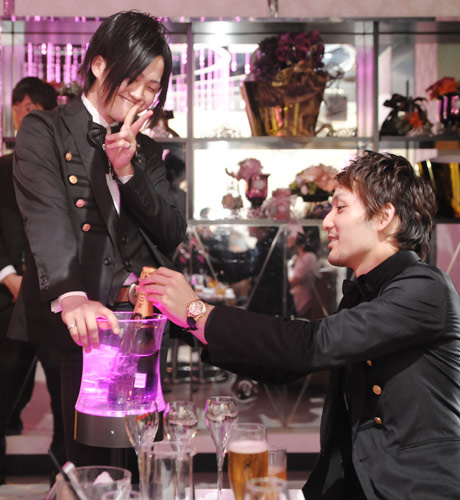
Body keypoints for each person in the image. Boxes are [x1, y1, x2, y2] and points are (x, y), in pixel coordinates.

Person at [139, 150, 460, 500]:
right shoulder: (365, 294)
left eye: (340, 208)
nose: (327, 223)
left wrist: (199, 312)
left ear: (384, 217)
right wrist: (186, 323)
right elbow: (285, 366)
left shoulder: (425, 289)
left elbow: (310, 345)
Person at [11, 11, 186, 467]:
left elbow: (171, 231)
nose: (142, 95)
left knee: (142, 458)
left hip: (141, 323)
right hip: (85, 324)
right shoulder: (45, 130)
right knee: (95, 467)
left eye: (153, 87)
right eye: (134, 79)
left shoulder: (147, 150)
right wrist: (72, 296)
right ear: (99, 65)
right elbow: (46, 216)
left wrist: (128, 171)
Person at [0, 77, 64, 483]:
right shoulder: (0, 169)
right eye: (20, 107)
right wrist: (8, 276)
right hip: (7, 302)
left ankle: (65, 480)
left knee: (65, 396)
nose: (26, 114)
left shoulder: (67, 170)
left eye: (35, 108)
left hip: (58, 304)